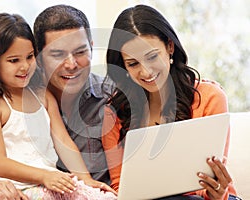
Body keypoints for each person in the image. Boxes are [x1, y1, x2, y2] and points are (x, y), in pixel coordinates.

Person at [0, 5, 115, 199]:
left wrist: (86, 180)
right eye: (58, 54)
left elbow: (63, 141)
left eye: (28, 57)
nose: (71, 64)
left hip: (57, 185)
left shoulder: (110, 97)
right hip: (23, 189)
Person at [102, 4, 239, 200]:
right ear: (123, 66)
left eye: (152, 56)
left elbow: (213, 176)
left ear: (170, 47)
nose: (146, 71)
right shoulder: (114, 112)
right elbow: (121, 188)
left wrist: (216, 192)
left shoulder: (210, 97)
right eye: (133, 64)